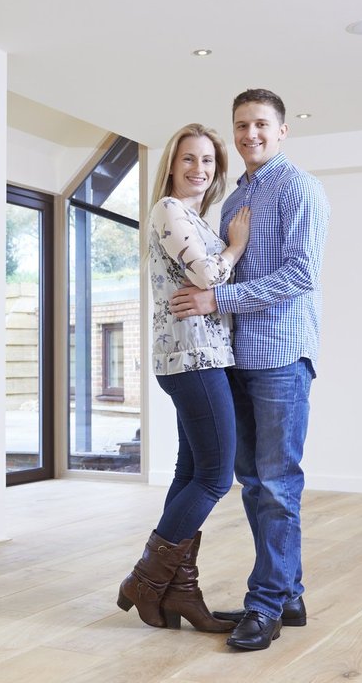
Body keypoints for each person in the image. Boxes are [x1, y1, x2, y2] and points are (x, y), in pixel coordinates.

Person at [169, 89, 330, 651]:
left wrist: (219, 301)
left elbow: (300, 275)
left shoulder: (301, 189)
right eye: (241, 125)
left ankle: (265, 604)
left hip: (282, 357)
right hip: (236, 359)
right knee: (256, 484)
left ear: (282, 130)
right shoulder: (238, 192)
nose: (250, 135)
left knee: (277, 485)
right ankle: (286, 595)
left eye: (261, 124)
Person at [117, 123, 250, 633]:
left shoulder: (191, 215)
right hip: (194, 359)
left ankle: (178, 593)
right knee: (216, 477)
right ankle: (144, 581)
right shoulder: (169, 210)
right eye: (189, 159)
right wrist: (235, 246)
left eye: (209, 162)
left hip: (197, 356)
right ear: (171, 165)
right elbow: (208, 276)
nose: (199, 169)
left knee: (191, 472)